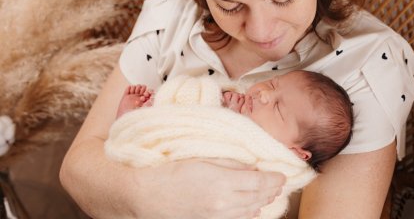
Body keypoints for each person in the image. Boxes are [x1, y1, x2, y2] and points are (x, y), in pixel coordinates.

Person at [60, 0, 414, 218]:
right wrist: (150, 194)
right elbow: (77, 168)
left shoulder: (366, 65)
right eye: (228, 5)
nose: (261, 32)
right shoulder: (169, 18)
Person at [114, 70, 354, 170]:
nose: (264, 94)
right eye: (273, 83)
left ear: (296, 152)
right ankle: (136, 121)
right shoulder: (238, 100)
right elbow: (198, 107)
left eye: (278, 108)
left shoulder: (267, 164)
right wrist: (219, 100)